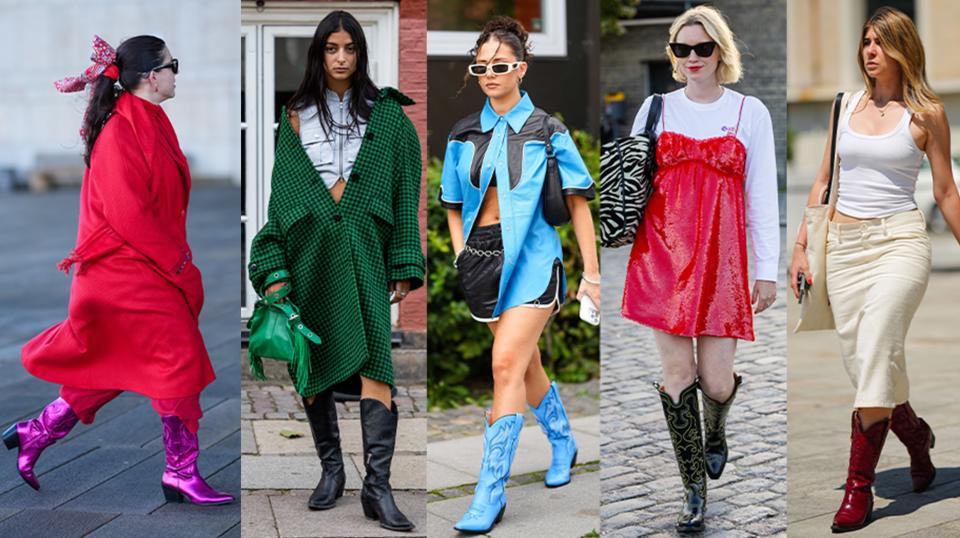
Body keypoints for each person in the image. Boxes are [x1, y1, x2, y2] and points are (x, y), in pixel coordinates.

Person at [3, 35, 233, 505]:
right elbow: (129, 216)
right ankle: (180, 472)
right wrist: (178, 262)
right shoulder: (120, 131)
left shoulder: (151, 118)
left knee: (120, 364)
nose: (175, 73)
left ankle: (36, 432)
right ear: (152, 75)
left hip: (140, 266)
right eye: (173, 65)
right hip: (123, 272)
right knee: (179, 361)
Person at [248, 10, 424, 533]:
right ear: (319, 53)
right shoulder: (297, 114)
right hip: (310, 255)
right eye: (332, 48)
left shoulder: (388, 114)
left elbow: (405, 193)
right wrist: (276, 268)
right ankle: (331, 471)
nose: (341, 57)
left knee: (377, 368)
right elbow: (283, 198)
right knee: (314, 364)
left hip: (367, 254)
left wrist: (404, 262)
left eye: (349, 48)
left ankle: (378, 487)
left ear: (360, 52)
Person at [789, 7, 960, 533]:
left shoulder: (927, 112)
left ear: (902, 48)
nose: (869, 50)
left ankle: (859, 491)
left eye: (880, 42)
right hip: (842, 249)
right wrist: (800, 247)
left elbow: (946, 192)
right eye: (865, 40)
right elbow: (821, 181)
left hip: (899, 245)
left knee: (877, 348)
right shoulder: (844, 106)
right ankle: (915, 437)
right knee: (870, 361)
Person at [438, 16, 600, 534]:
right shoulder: (463, 133)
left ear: (521, 69)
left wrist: (592, 276)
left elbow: (578, 203)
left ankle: (490, 493)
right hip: (482, 264)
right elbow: (451, 204)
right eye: (480, 66)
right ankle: (564, 441)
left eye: (500, 65)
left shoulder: (548, 132)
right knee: (523, 366)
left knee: (505, 362)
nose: (489, 73)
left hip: (533, 261)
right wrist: (462, 253)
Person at [621, 5, 779, 533]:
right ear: (672, 54)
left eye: (702, 48)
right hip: (661, 258)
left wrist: (767, 270)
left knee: (714, 381)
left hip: (723, 265)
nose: (692, 58)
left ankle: (716, 429)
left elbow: (761, 196)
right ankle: (693, 491)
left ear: (720, 52)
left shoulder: (748, 111)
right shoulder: (655, 108)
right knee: (677, 377)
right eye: (681, 49)